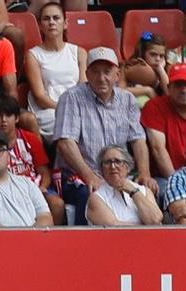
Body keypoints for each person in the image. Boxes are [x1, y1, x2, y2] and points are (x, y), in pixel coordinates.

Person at [56, 48, 154, 222]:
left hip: (118, 172)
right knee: (87, 192)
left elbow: (138, 139)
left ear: (117, 74)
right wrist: (89, 175)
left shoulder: (128, 99)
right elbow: (65, 142)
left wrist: (145, 173)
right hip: (81, 174)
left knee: (150, 189)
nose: (101, 78)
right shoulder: (71, 97)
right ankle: (82, 245)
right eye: (95, 72)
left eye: (107, 72)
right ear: (86, 74)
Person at [24, 2, 86, 138]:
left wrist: (76, 109)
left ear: (65, 23)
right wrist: (65, 109)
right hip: (48, 110)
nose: (51, 22)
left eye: (56, 18)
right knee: (64, 123)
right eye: (46, 19)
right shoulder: (33, 55)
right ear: (40, 25)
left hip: (77, 107)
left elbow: (84, 88)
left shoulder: (79, 52)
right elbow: (40, 97)